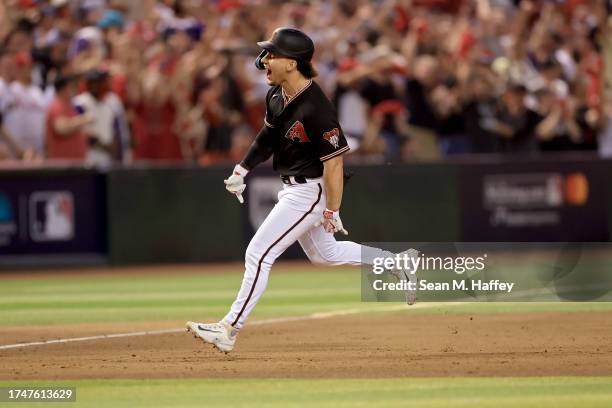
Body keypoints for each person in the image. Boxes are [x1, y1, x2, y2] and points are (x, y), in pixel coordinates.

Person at [186, 27, 417, 353]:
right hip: (294, 187)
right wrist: (242, 169)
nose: (264, 59)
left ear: (292, 63)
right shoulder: (277, 93)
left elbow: (335, 163)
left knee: (258, 253)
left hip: (310, 190)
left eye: (272, 54)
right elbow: (267, 136)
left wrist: (332, 209)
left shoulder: (316, 106)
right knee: (327, 254)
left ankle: (229, 328)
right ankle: (396, 263)